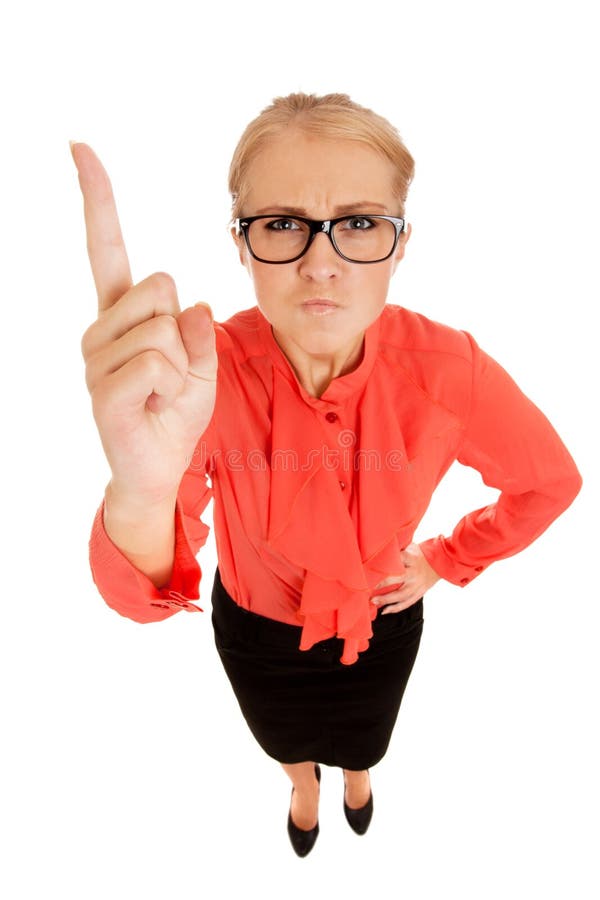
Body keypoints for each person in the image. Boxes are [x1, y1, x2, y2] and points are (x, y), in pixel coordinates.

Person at [72, 92, 582, 858]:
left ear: (401, 241)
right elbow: (142, 598)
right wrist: (142, 493)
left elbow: (550, 483)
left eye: (360, 223)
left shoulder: (451, 372)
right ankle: (302, 787)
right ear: (241, 245)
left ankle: (357, 779)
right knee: (280, 737)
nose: (321, 262)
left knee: (366, 736)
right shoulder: (200, 376)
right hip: (254, 630)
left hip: (378, 624)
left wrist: (445, 559)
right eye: (282, 225)